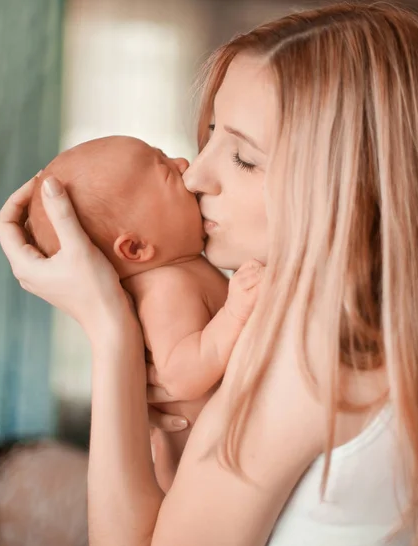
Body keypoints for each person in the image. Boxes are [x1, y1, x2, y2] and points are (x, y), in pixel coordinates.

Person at [0, 0, 418, 546]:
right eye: (210, 135)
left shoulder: (309, 345)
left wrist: (109, 331)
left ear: (344, 183)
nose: (197, 173)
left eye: (244, 158)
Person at [26, 135, 263, 490]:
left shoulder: (182, 269)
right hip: (199, 473)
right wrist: (235, 312)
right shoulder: (166, 289)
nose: (183, 165)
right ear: (135, 247)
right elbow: (181, 376)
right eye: (166, 171)